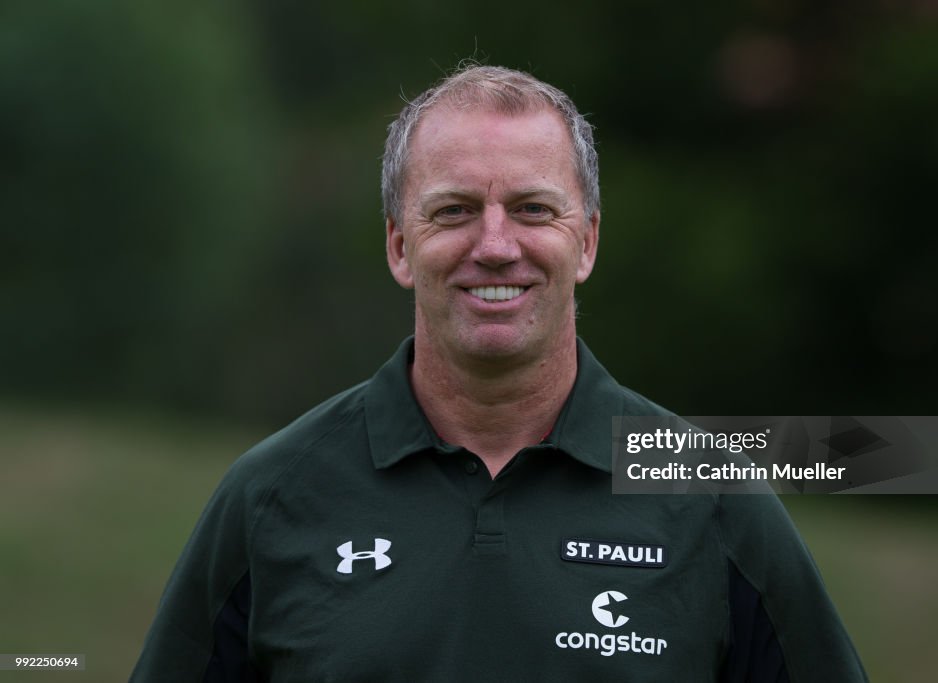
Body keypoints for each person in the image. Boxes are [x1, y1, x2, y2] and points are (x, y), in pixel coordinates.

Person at [130, 64, 868, 682]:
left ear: (585, 242)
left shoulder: (716, 503)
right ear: (398, 245)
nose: (494, 244)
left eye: (532, 208)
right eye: (453, 210)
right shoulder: (271, 498)